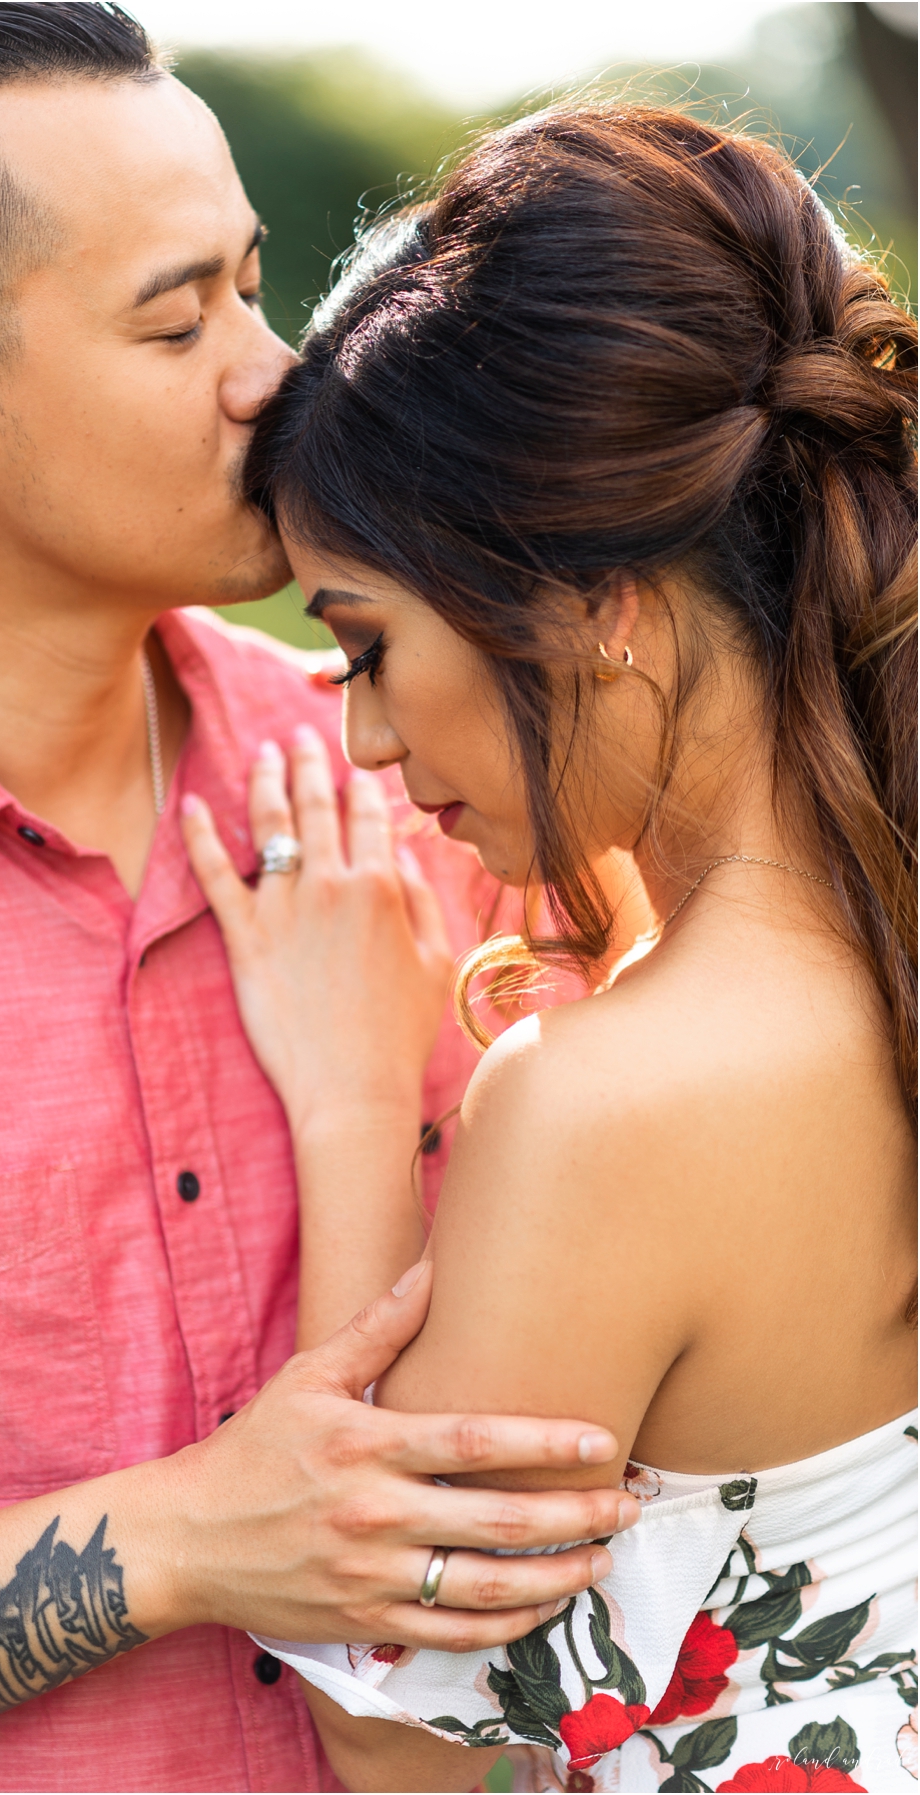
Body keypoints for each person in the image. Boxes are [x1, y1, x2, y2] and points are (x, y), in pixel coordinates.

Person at [0, 9, 641, 1793]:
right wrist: (180, 1545)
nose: (273, 369)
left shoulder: (435, 786)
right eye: (177, 318)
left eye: (253, 285)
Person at [182, 106, 918, 1792]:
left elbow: (397, 1754)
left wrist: (361, 1114)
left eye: (365, 643)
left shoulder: (607, 1106)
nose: (358, 739)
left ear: (592, 605)